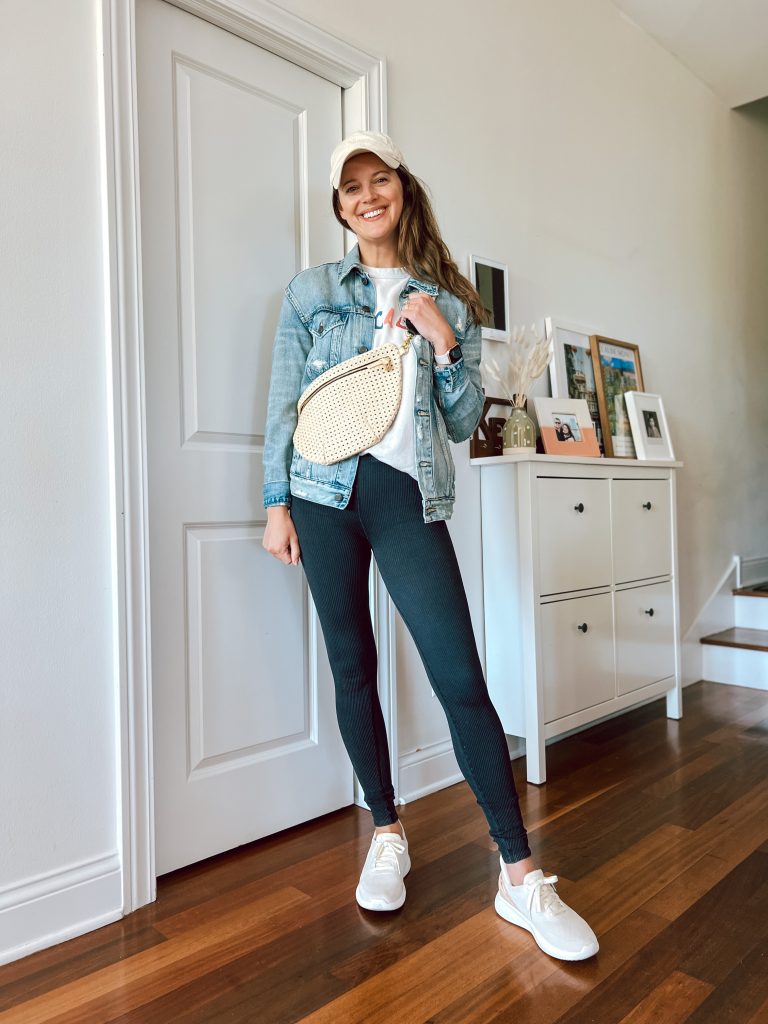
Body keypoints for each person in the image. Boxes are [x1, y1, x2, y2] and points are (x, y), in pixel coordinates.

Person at [262, 131, 598, 961]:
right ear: (339, 206)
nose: (366, 196)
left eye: (380, 180)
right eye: (351, 188)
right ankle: (386, 829)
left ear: (402, 190)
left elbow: (456, 423)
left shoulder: (449, 298)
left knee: (459, 676)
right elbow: (284, 406)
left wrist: (442, 340)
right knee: (352, 665)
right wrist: (276, 504)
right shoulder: (311, 293)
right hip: (322, 493)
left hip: (409, 499)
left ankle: (518, 876)